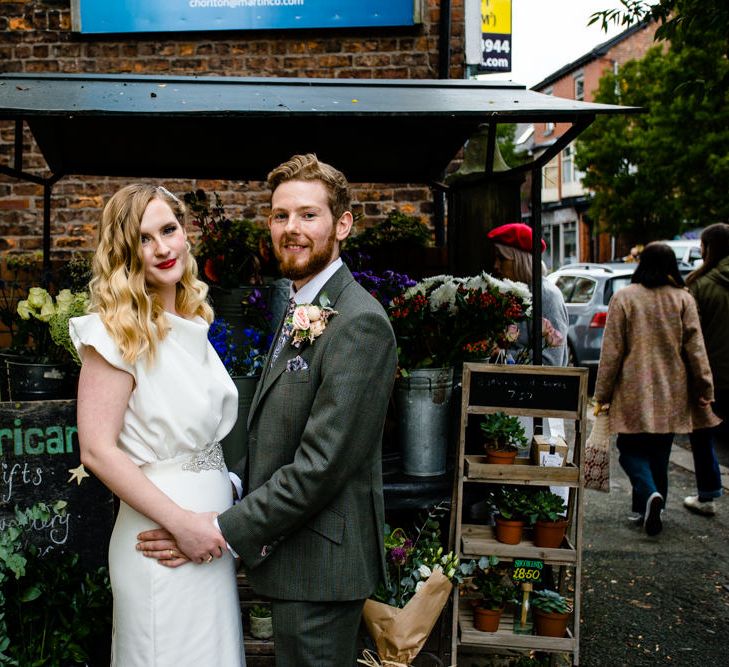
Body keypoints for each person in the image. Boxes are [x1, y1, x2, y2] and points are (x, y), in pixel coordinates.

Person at [138, 154, 399, 667]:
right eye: (281, 216)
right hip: (295, 562)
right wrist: (229, 485)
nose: (291, 229)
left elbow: (320, 467)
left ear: (342, 224)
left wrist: (218, 527)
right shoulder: (302, 305)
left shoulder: (360, 323)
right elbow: (271, 432)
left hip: (321, 570)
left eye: (308, 215)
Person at [70, 184, 245, 665]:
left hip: (209, 541)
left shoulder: (190, 321)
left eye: (169, 230)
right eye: (144, 239)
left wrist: (224, 494)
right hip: (162, 542)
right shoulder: (112, 332)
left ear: (186, 233)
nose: (163, 248)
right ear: (126, 254)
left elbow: (202, 444)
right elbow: (98, 450)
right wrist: (183, 524)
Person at [593, 242, 719, 536]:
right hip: (671, 388)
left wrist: (602, 394)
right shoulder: (683, 299)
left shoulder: (625, 298)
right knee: (660, 452)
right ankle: (652, 508)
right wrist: (705, 386)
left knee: (628, 449)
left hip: (633, 387)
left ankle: (647, 498)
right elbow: (696, 349)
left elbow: (611, 352)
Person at [683, 223, 729, 516]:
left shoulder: (700, 285)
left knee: (702, 433)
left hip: (713, 375)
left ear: (709, 248)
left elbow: (691, 338)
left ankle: (708, 494)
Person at [487, 222, 569, 366]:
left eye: (502, 259)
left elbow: (550, 362)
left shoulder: (546, 296)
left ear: (520, 260)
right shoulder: (512, 293)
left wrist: (500, 355)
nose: (496, 265)